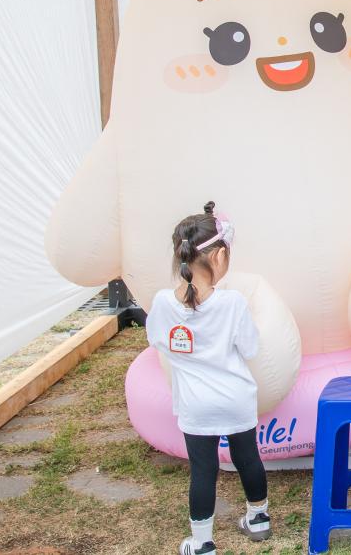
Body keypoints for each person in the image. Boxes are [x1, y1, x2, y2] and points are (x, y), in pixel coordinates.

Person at [146, 202, 270, 555]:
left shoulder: (163, 303)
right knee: (248, 458)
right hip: (235, 398)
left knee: (203, 470)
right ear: (218, 258)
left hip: (196, 404)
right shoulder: (232, 303)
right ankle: (258, 519)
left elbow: (157, 340)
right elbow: (249, 348)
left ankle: (202, 543)